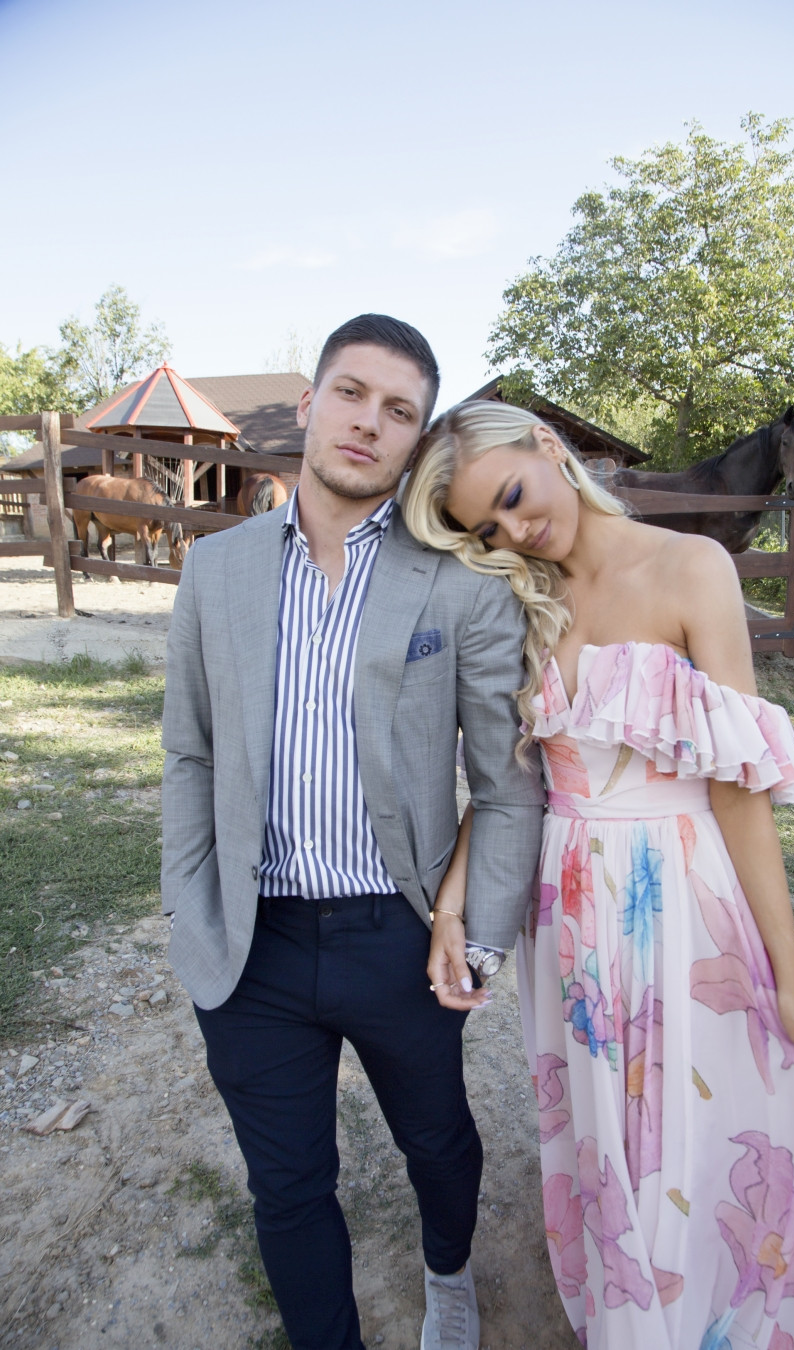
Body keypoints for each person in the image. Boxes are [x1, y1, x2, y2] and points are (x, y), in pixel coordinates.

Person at [402, 400, 794, 1350]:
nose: (513, 532)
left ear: (549, 447)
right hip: (567, 918)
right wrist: (451, 906)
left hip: (683, 900)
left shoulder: (692, 567)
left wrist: (793, 980)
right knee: (610, 1142)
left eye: (512, 497)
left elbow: (739, 790)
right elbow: (506, 782)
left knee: (708, 1135)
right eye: (486, 529)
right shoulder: (516, 600)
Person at [160, 321, 544, 1350]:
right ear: (310, 402)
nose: (369, 422)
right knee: (288, 1185)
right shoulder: (216, 569)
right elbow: (190, 753)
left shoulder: (461, 583)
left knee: (438, 1142)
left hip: (400, 933)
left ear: (418, 438)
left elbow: (507, 785)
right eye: (351, 393)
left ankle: (449, 1275)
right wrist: (188, 907)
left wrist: (480, 937)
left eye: (399, 410)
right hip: (253, 941)